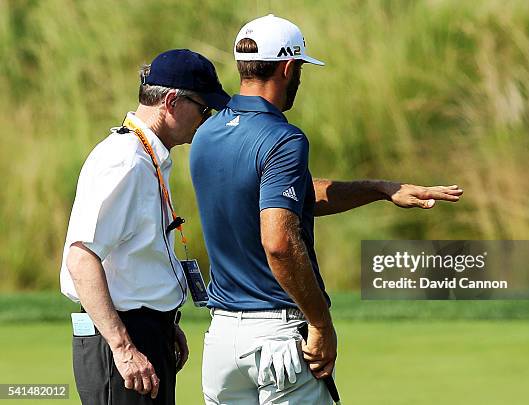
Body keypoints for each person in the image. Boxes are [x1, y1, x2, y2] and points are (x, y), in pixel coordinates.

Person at [190, 14, 463, 404]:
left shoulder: (208, 133)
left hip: (221, 344)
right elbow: (280, 242)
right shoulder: (283, 139)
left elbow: (285, 197)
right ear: (287, 68)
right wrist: (320, 324)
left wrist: (380, 189)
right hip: (278, 340)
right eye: (300, 67)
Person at [60, 49, 229, 405]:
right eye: (204, 108)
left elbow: (134, 257)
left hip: (145, 331)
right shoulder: (127, 161)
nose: (206, 118)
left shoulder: (144, 157)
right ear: (171, 101)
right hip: (121, 338)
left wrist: (166, 321)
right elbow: (81, 257)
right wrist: (124, 347)